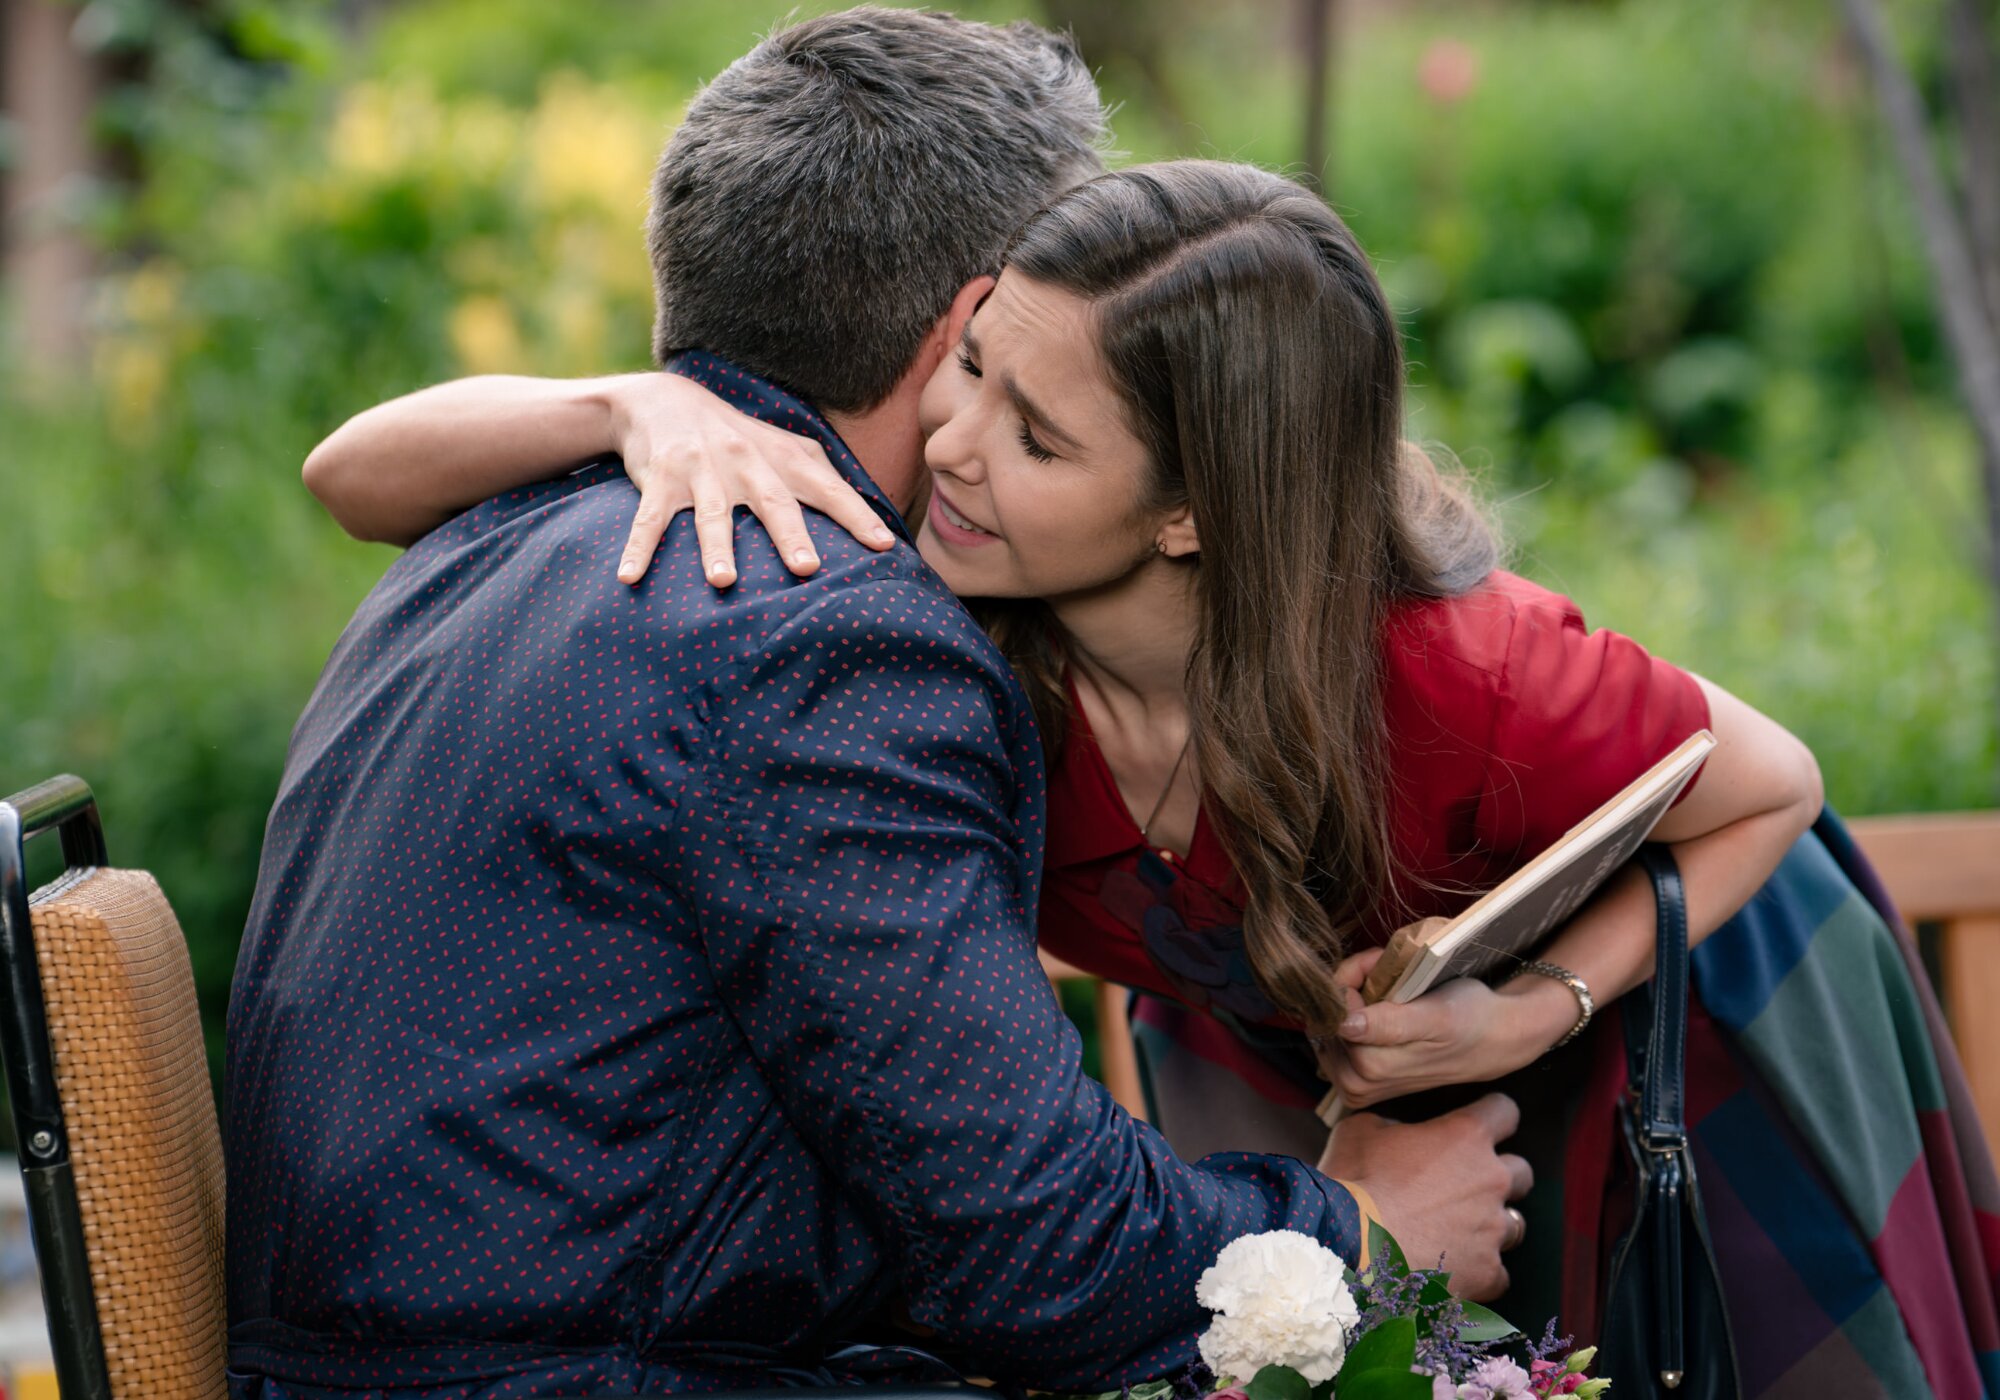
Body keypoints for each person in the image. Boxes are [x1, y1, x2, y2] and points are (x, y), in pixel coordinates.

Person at [312, 153, 2000, 1397]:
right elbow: (359, 470)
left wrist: (1533, 1013)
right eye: (974, 367)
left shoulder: (1452, 674)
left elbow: (1770, 780)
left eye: (1041, 435)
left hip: (1671, 1009)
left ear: (1192, 511)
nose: (955, 445)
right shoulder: (951, 630)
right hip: (1291, 1053)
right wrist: (637, 403)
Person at [230, 14, 1535, 1400]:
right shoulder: (824, 635)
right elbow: (1044, 1259)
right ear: (981, 323)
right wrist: (1364, 1229)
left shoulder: (501, 523)